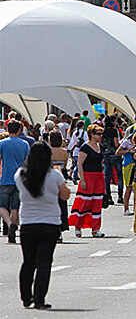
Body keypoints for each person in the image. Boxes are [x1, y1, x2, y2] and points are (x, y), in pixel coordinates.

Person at [15, 141, 71, 309]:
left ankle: (26, 297)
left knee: (28, 262)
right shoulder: (54, 175)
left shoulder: (20, 175)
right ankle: (39, 298)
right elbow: (66, 195)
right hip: (49, 223)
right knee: (44, 262)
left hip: (27, 223)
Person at [68, 124, 106, 238]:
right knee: (84, 202)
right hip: (88, 176)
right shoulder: (85, 147)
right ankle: (78, 226)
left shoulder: (101, 147)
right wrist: (82, 179)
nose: (100, 136)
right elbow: (80, 164)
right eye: (98, 134)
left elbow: (102, 163)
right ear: (92, 135)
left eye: (101, 134)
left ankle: (95, 229)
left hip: (99, 176)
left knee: (97, 203)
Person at [0, 120, 31, 243]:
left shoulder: (2, 143)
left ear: (7, 129)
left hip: (5, 178)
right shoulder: (25, 144)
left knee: (2, 206)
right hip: (20, 179)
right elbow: (27, 162)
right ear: (19, 130)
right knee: (15, 207)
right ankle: (13, 224)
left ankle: (9, 224)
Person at [101, 116, 122, 206]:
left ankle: (108, 197)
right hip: (115, 154)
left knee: (107, 177)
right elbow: (116, 143)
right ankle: (120, 196)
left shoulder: (103, 131)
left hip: (106, 155)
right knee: (119, 175)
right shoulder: (114, 131)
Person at [115, 133, 135, 216]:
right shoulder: (126, 142)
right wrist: (128, 151)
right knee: (129, 188)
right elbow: (117, 152)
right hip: (128, 165)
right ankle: (126, 209)